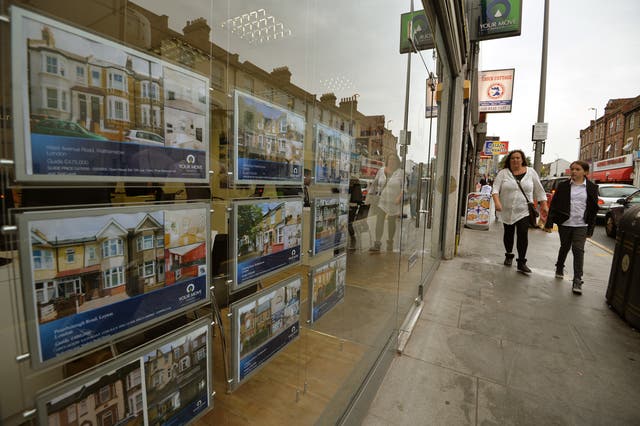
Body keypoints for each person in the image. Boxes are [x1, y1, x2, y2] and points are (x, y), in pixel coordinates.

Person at [543, 161, 598, 295]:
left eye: (577, 169)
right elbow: (554, 205)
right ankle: (559, 266)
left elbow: (593, 209)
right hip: (565, 223)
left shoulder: (591, 187)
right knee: (565, 246)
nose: (574, 172)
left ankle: (577, 279)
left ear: (585, 172)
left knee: (578, 250)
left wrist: (590, 229)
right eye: (572, 169)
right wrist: (549, 223)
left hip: (581, 224)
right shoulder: (563, 186)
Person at [491, 150, 548, 273]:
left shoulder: (531, 172)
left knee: (523, 235)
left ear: (522, 159)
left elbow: (539, 190)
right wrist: (497, 202)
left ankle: (521, 262)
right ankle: (509, 254)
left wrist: (544, 205)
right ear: (509, 160)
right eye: (512, 158)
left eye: (518, 158)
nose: (515, 160)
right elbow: (495, 189)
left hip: (524, 210)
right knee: (508, 233)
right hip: (506, 209)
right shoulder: (503, 173)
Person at [368, 154, 403, 252]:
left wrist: (399, 197)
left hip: (393, 202)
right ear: (387, 160)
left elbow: (404, 188)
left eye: (394, 159)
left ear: (397, 161)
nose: (392, 161)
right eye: (390, 159)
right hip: (382, 200)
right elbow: (375, 183)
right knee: (379, 221)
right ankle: (377, 243)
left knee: (391, 223)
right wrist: (370, 195)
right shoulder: (381, 170)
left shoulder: (400, 173)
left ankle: (390, 241)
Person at [347, 177, 363, 250]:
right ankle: (353, 238)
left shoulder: (352, 190)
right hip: (354, 209)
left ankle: (352, 239)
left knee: (347, 223)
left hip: (350, 209)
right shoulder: (358, 192)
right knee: (350, 223)